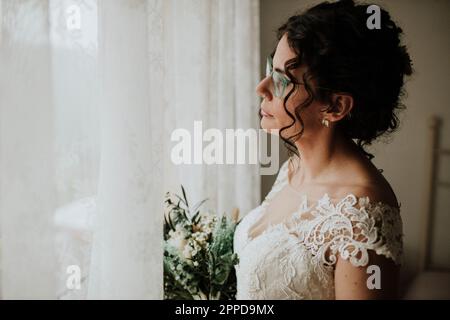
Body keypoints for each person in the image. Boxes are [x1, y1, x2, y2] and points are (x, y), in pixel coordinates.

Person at [233, 0, 412, 299]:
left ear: (335, 106)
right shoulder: (294, 167)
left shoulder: (363, 216)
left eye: (281, 80)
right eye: (270, 68)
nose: (261, 88)